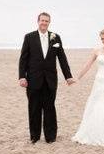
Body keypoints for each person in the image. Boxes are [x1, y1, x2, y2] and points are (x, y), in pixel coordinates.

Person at [18, 12, 75, 144]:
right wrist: (22, 77)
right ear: (38, 21)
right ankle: (35, 136)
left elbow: (62, 58)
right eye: (42, 20)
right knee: (34, 108)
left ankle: (50, 137)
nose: (44, 23)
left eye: (46, 21)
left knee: (50, 107)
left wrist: (68, 76)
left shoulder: (56, 38)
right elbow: (23, 59)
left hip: (50, 80)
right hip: (33, 79)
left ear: (49, 23)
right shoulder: (29, 37)